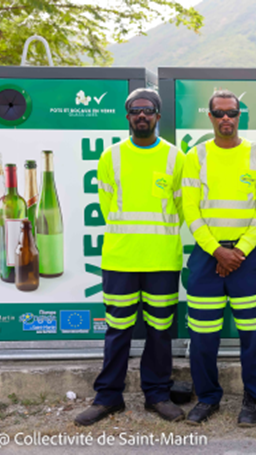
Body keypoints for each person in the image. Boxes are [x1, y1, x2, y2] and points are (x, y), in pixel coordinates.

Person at [75, 89, 186, 426]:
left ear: (157, 116)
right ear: (127, 116)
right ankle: (108, 397)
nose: (142, 115)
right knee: (118, 329)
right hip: (120, 259)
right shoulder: (111, 157)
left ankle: (157, 394)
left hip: (161, 260)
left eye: (148, 110)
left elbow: (181, 210)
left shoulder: (175, 158)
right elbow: (108, 207)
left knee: (160, 330)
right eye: (135, 110)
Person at [181, 90, 256, 427]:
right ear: (210, 117)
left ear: (240, 115)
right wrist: (217, 250)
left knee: (253, 333)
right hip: (208, 255)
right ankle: (207, 398)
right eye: (219, 113)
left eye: (231, 113)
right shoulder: (197, 155)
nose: (225, 119)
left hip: (245, 256)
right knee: (203, 335)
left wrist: (239, 250)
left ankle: (254, 399)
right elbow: (189, 208)